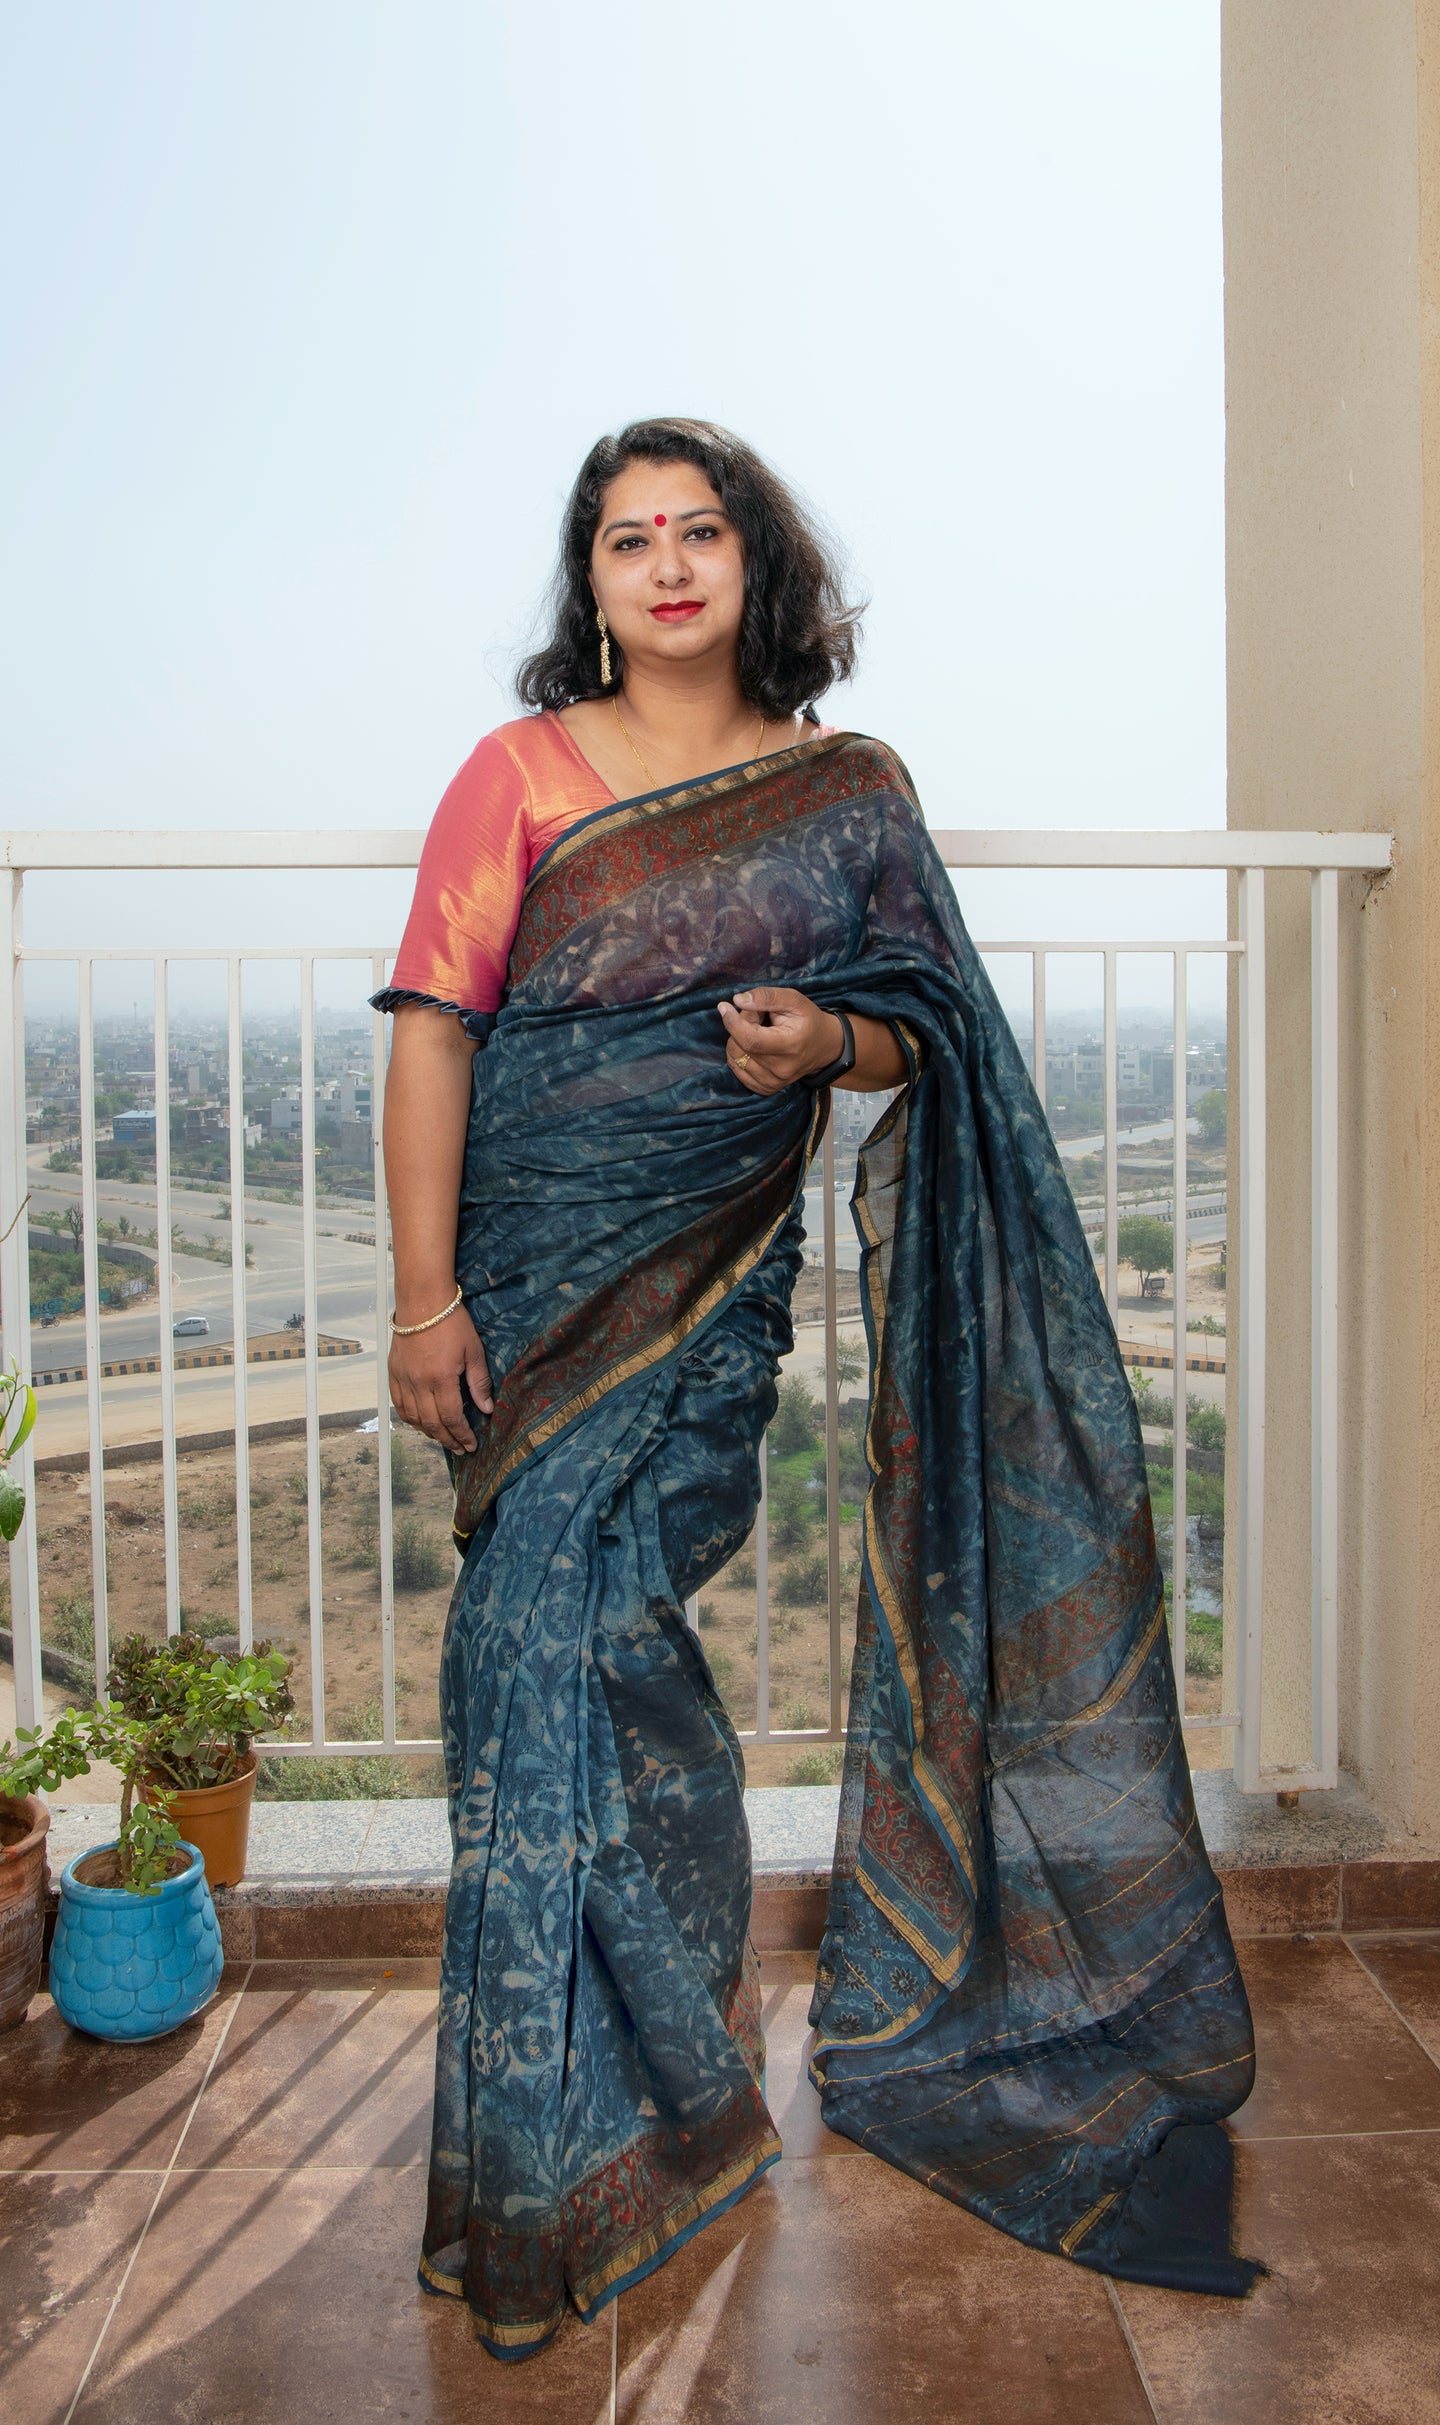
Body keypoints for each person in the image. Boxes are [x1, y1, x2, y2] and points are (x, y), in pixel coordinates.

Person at [374, 417, 1258, 2361]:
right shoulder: (511, 774)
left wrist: (820, 1035)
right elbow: (436, 1033)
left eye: (701, 531)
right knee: (524, 1654)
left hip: (711, 1290)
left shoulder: (843, 795)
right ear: (587, 583)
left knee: (614, 1646)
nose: (667, 564)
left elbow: (916, 1030)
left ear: (758, 563)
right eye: (627, 540)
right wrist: (424, 1297)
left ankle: (672, 2082)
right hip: (525, 1293)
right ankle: (591, 2120)